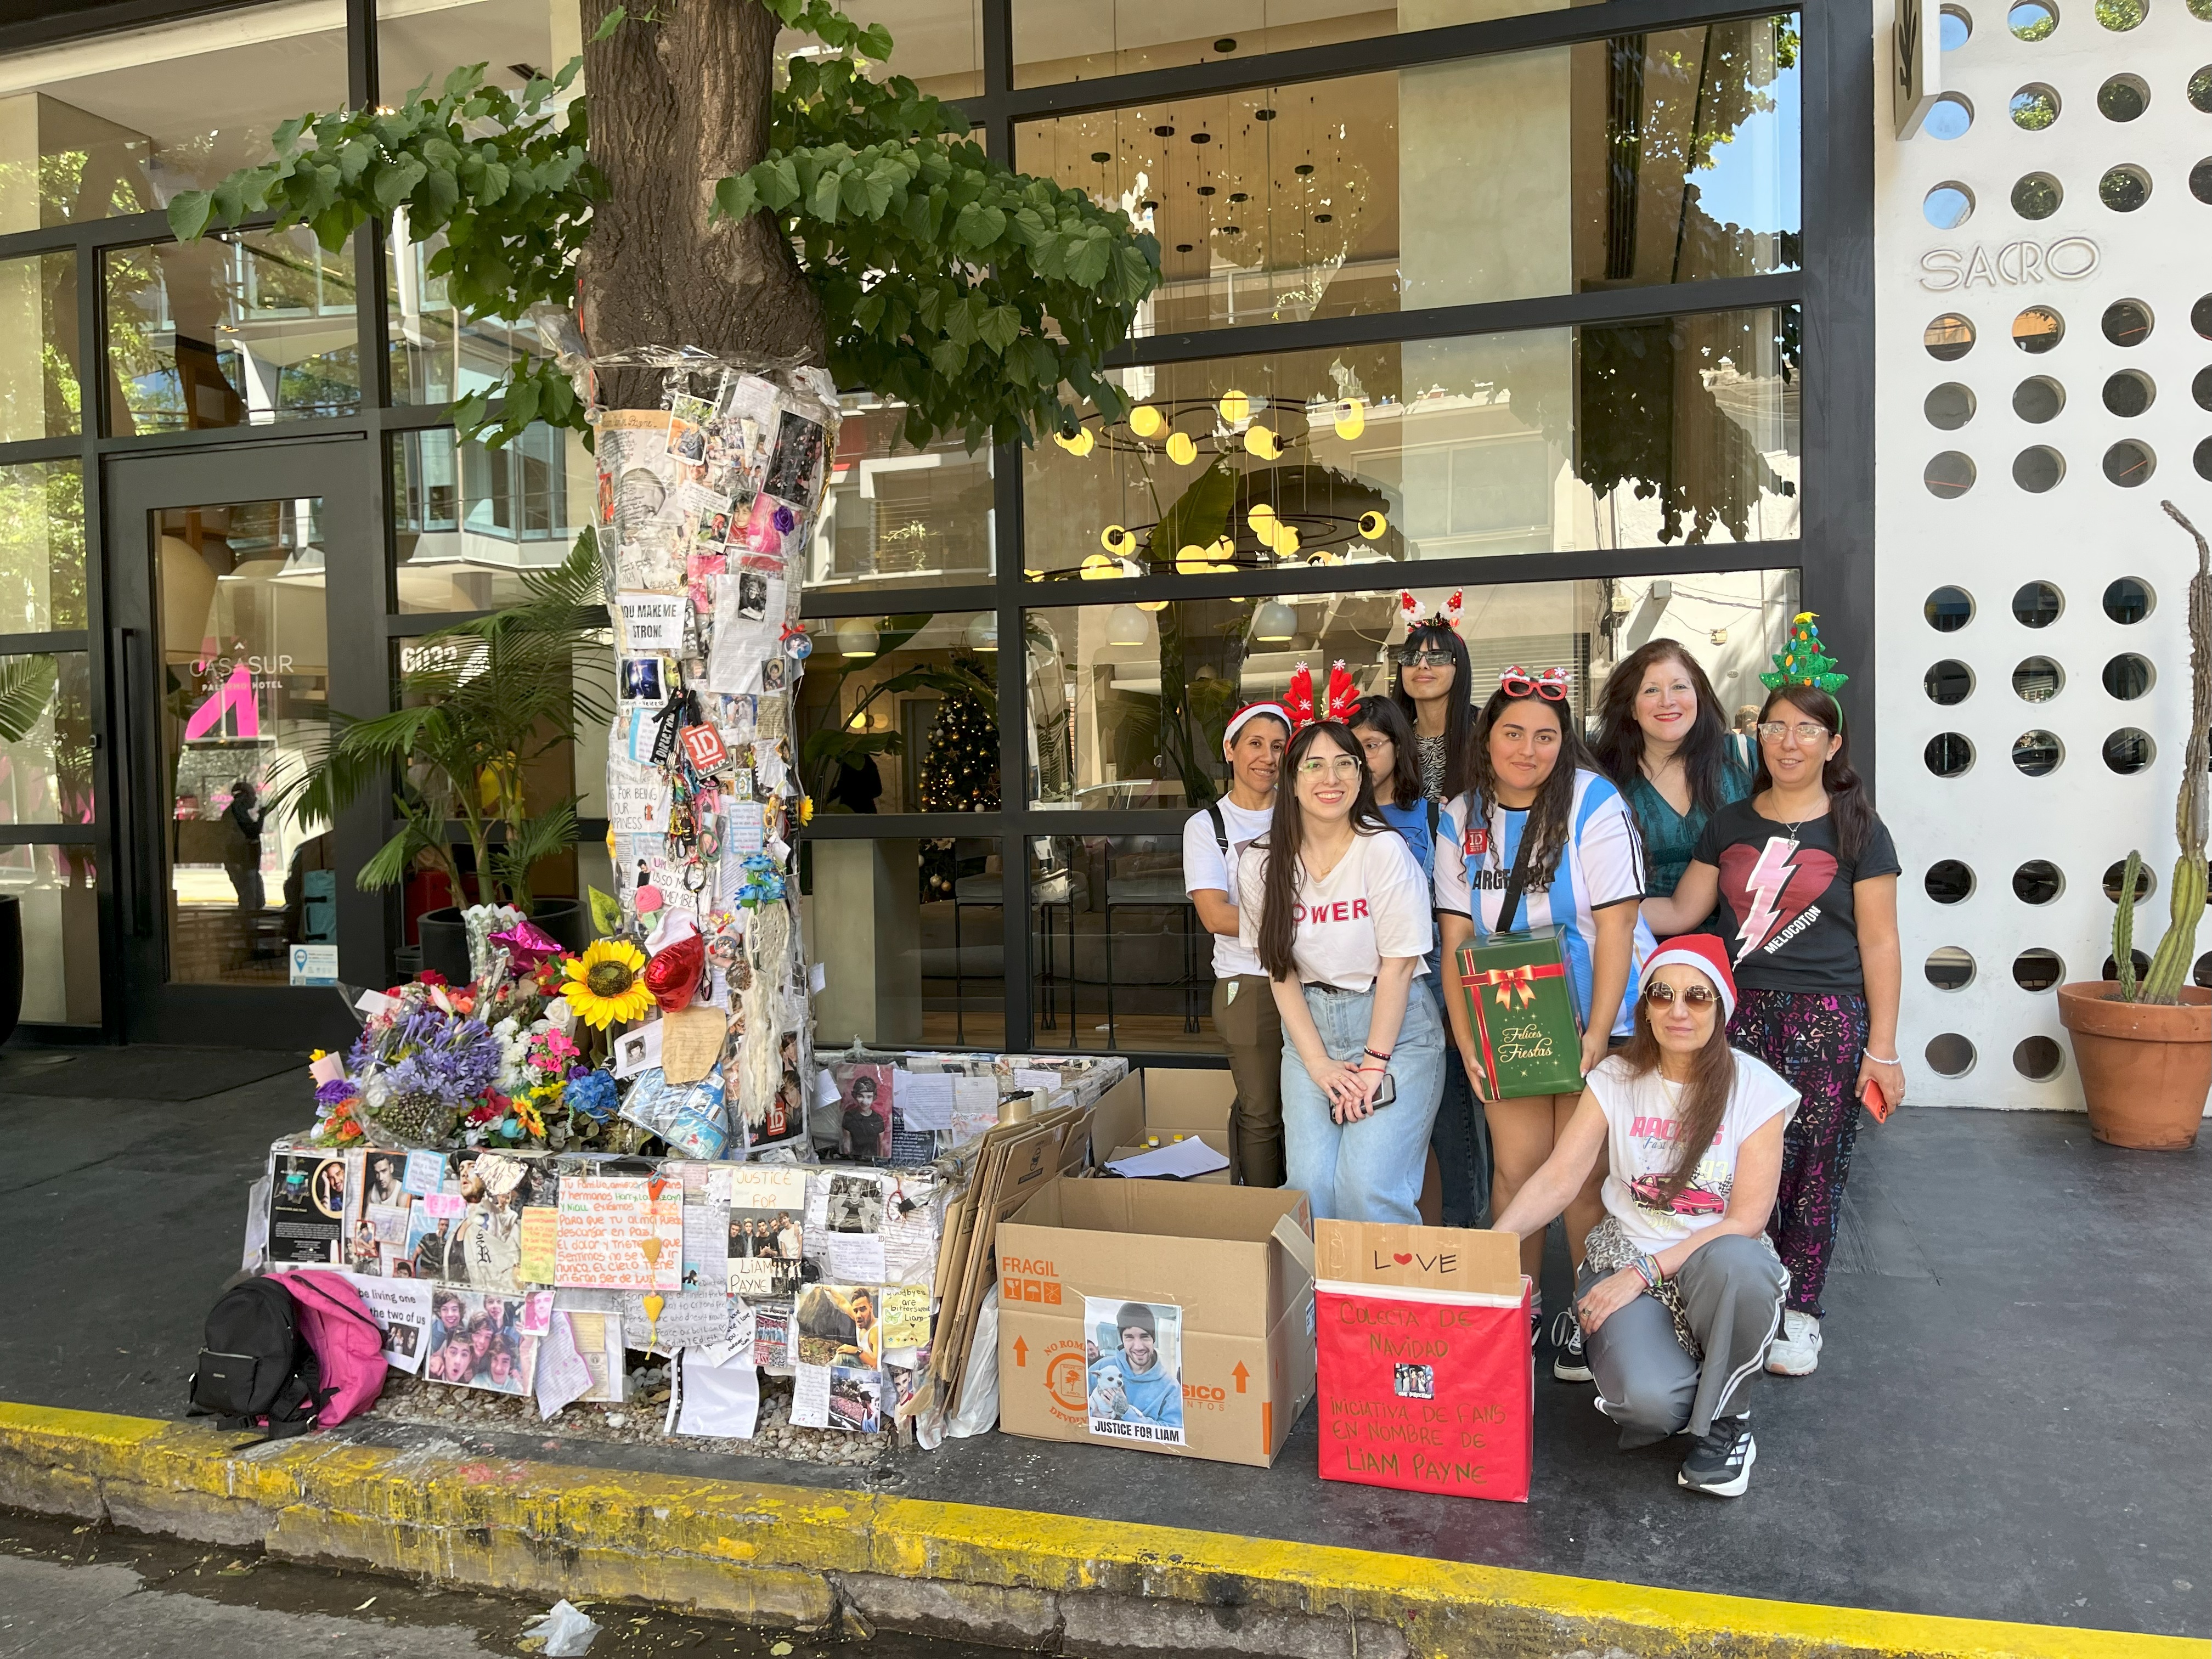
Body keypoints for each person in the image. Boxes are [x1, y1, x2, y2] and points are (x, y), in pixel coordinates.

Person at [1642, 669, 1904, 1378]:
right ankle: (1728, 1297)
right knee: (1723, 1161)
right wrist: (1603, 906)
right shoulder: (1729, 824)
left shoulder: (1857, 828)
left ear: (1832, 742)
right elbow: (1680, 912)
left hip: (1829, 1017)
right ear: (1758, 737)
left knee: (1814, 1166)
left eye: (1807, 730)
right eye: (1777, 727)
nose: (1790, 743)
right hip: (1737, 1014)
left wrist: (1882, 1048)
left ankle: (1801, 1311)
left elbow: (1881, 942)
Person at [1493, 938, 1792, 1497]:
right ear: (1646, 1006)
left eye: (1697, 997)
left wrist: (1644, 1274)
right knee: (1649, 1408)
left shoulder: (1757, 1091)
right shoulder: (1615, 1077)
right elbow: (1561, 1177)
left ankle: (1729, 1423)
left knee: (1742, 1264)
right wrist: (1490, 1245)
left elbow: (1747, 1218)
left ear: (1721, 1007)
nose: (1679, 1010)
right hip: (1624, 1254)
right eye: (1663, 994)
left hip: (1710, 1264)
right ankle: (1706, 1366)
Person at [1435, 665, 1655, 1381]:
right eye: (1512, 733)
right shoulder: (1459, 817)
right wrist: (1468, 1041)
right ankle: (1517, 1308)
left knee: (1583, 1182)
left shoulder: (1595, 802)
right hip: (1508, 1015)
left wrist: (1598, 1034)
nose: (1528, 749)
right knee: (1516, 1171)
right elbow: (1456, 941)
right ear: (1486, 737)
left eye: (1546, 736)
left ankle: (1588, 1317)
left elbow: (1619, 925)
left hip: (1596, 1012)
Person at [1238, 682, 1446, 1223]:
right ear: (1291, 779)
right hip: (1311, 1028)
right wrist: (1319, 1064)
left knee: (1369, 1190)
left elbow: (1399, 967)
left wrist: (1373, 1068)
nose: (1330, 779)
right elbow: (1279, 973)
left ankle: (1390, 1308)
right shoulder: (1262, 864)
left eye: (1344, 764)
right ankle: (1321, 1310)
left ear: (1361, 774)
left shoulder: (1384, 851)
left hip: (1395, 1031)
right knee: (1309, 1192)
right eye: (1313, 765)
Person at [1387, 596, 1489, 1229]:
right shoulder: (1384, 737)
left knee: (1461, 1082)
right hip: (1398, 930)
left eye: (1438, 656)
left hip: (1469, 919)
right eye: (1412, 656)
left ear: (1460, 665)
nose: (1423, 666)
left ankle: (1464, 1219)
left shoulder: (1483, 734)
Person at [1183, 701, 1292, 1186]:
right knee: (1262, 1111)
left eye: (1277, 746)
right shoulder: (1208, 827)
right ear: (1229, 750)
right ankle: (1264, 1223)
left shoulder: (1304, 813)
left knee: (1304, 1111)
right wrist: (1303, 922)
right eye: (1254, 744)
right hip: (1248, 984)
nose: (1267, 757)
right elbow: (1215, 915)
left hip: (1315, 979)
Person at [1592, 641, 1753, 934]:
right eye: (1651, 690)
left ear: (1699, 696)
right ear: (1632, 708)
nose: (1667, 701)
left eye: (1679, 687)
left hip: (1746, 954)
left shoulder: (1743, 757)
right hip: (1638, 953)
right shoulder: (1602, 779)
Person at [1088, 1303, 1180, 1426]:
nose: (1138, 1347)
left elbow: (1174, 1431)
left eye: (1145, 1337)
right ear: (1122, 1339)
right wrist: (1094, 1415)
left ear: (1154, 1338)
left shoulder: (1171, 1387)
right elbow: (1073, 1407)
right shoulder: (1101, 1368)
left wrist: (1127, 1412)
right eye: (1129, 1337)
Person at [223, 778, 266, 926]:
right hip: (243, 863)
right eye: (253, 796)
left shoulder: (235, 811)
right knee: (251, 902)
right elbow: (253, 831)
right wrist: (262, 816)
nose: (254, 800)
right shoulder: (237, 810)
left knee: (256, 900)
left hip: (246, 863)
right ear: (245, 796)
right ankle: (248, 935)